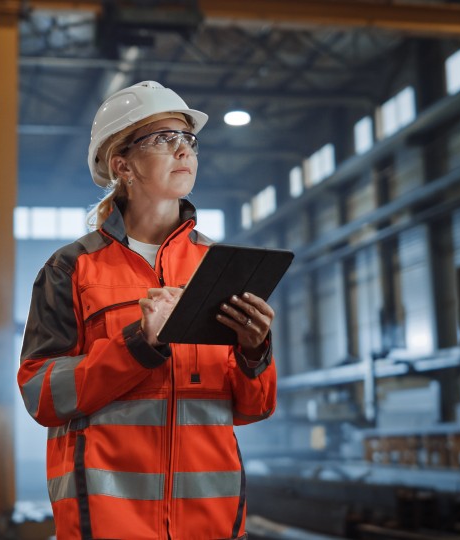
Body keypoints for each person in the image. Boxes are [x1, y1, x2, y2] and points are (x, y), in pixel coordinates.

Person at [17, 80, 277, 539]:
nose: (184, 151)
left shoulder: (219, 268)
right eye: (163, 138)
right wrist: (139, 344)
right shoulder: (72, 267)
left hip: (211, 523)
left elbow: (251, 408)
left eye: (188, 140)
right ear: (123, 165)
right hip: (107, 522)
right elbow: (41, 394)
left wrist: (255, 353)